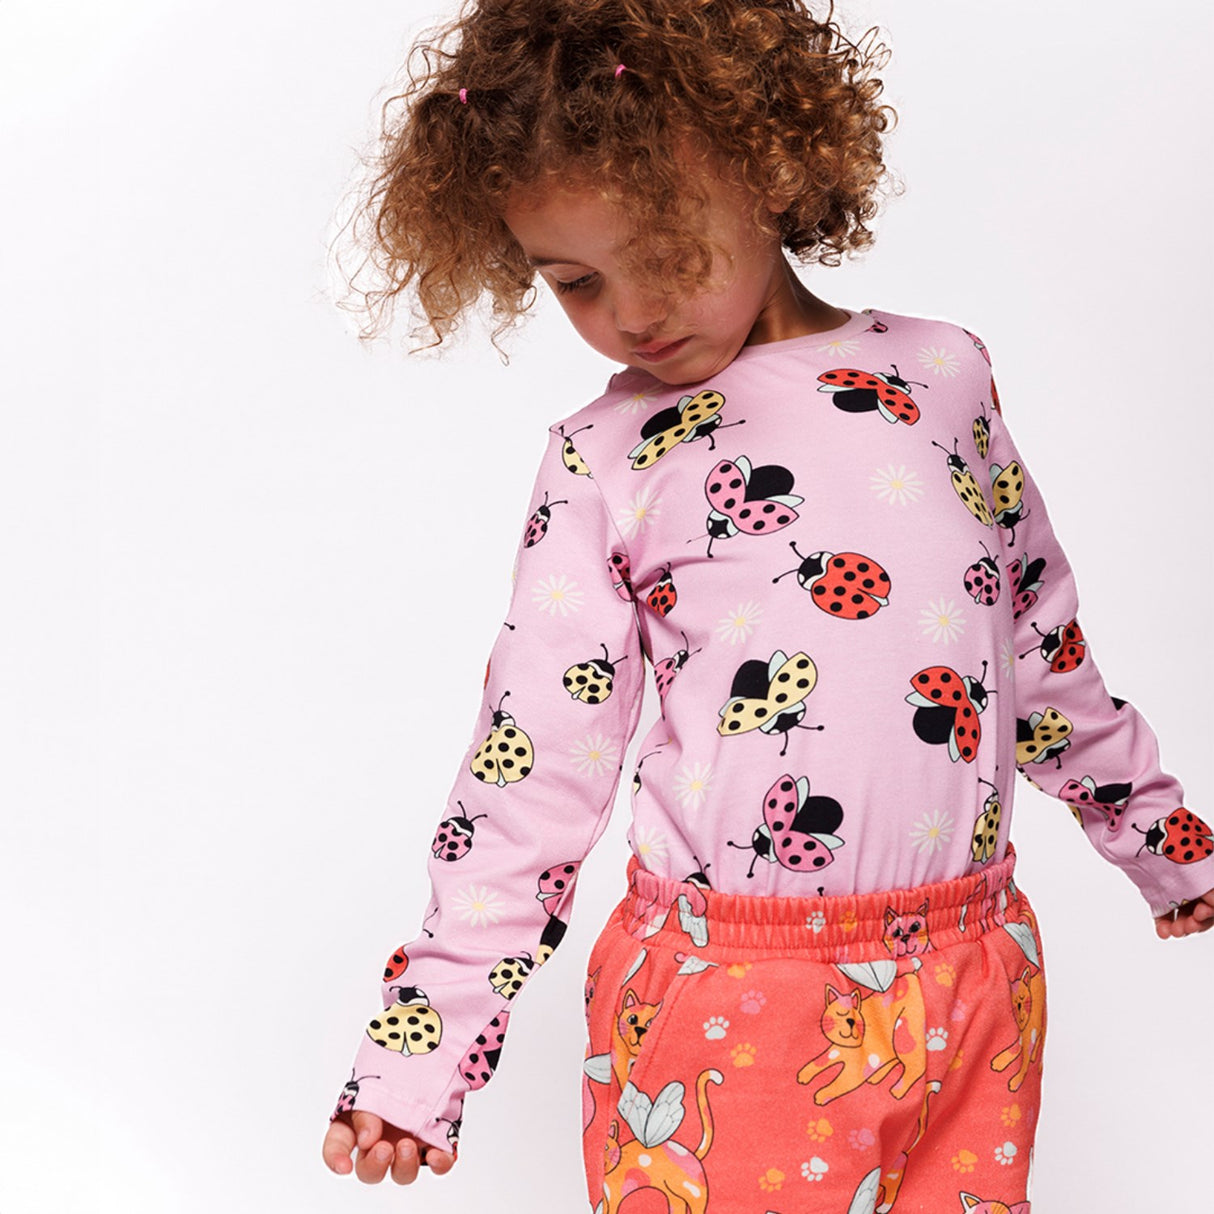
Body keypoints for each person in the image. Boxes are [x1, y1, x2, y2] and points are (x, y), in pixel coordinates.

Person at [320, 1, 1214, 1208]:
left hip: (973, 974)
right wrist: (423, 1047)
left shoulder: (943, 374)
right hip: (729, 998)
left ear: (769, 168)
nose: (631, 312)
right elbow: (532, 769)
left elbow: (1034, 643)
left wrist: (1157, 834)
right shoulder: (606, 457)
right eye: (575, 281)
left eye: (663, 249)